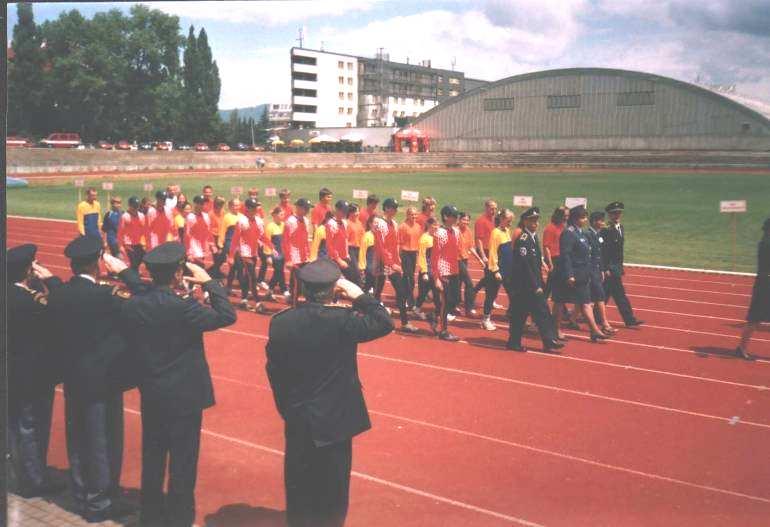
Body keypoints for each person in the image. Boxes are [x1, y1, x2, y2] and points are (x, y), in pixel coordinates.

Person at [265, 259, 393, 527]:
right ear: (335, 288)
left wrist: (287, 410)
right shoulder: (343, 322)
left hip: (299, 418)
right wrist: (358, 295)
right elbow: (383, 321)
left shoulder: (281, 322)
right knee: (333, 498)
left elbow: (274, 372)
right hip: (336, 421)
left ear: (303, 288)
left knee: (299, 494)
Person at [121, 242, 236, 527]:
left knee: (153, 457)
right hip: (184, 397)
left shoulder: (135, 304)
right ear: (177, 274)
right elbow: (227, 314)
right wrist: (209, 282)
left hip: (152, 392)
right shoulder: (184, 308)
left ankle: (150, 517)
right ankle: (179, 520)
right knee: (183, 464)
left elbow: (148, 296)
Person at [47, 236, 144, 522]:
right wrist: (126, 272)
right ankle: (101, 503)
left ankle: (80, 494)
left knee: (77, 437)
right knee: (104, 441)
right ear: (96, 263)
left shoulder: (60, 293)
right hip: (103, 380)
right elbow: (146, 299)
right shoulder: (106, 296)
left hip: (72, 377)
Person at [7, 244, 64, 498]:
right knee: (32, 427)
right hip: (33, 375)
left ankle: (14, 474)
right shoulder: (32, 301)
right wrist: (49, 281)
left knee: (12, 425)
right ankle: (33, 480)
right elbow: (60, 306)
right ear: (28, 269)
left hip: (10, 373)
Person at [507, 208, 564, 353]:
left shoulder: (533, 237)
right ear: (525, 221)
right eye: (532, 220)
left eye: (536, 220)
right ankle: (515, 343)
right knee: (521, 315)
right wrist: (536, 285)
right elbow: (525, 266)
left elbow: (535, 264)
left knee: (541, 312)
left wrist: (540, 282)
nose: (535, 223)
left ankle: (549, 340)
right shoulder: (523, 239)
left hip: (533, 284)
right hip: (525, 285)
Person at [553, 206, 611, 342]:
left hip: (582, 274)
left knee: (585, 302)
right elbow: (566, 255)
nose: (585, 220)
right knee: (560, 302)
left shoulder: (581, 233)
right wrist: (569, 274)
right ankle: (555, 329)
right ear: (575, 219)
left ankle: (595, 331)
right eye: (583, 217)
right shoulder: (568, 233)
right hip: (568, 275)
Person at [372, 198, 420, 333]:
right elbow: (381, 247)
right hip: (382, 262)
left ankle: (405, 323)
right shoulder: (379, 223)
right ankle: (373, 318)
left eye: (396, 208)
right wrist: (391, 264)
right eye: (393, 208)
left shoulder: (393, 223)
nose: (395, 211)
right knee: (377, 291)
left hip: (392, 262)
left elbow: (393, 245)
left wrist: (397, 260)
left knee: (401, 291)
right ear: (386, 208)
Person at [600, 202, 644, 327]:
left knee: (604, 294)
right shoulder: (606, 230)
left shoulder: (621, 228)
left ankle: (595, 315)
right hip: (611, 268)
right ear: (609, 215)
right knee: (619, 295)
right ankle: (629, 320)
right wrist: (605, 268)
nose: (617, 215)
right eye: (614, 213)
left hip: (617, 267)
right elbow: (604, 251)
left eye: (619, 212)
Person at [736, 218, 770, 360]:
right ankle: (741, 348)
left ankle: (741, 348)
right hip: (765, 284)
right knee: (754, 319)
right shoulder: (766, 245)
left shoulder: (764, 243)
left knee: (754, 319)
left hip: (764, 282)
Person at [429, 205, 462, 341]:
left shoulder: (455, 231)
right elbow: (434, 257)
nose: (456, 219)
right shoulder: (440, 234)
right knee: (446, 302)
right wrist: (436, 278)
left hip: (454, 271)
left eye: (456, 216)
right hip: (444, 272)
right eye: (454, 216)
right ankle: (443, 331)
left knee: (454, 301)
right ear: (446, 217)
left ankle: (434, 317)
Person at [482, 208, 515, 331]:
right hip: (497, 271)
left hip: (507, 269)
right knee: (491, 295)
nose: (510, 223)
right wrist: (495, 270)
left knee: (513, 293)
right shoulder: (495, 233)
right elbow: (493, 253)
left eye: (511, 221)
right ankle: (486, 319)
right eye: (508, 220)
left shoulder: (506, 230)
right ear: (501, 219)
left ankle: (511, 313)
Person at [236, 198, 270, 313]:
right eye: (255, 207)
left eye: (257, 207)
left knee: (247, 277)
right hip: (244, 253)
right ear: (248, 208)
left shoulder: (259, 221)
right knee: (252, 277)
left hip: (254, 252)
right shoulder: (242, 221)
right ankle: (257, 301)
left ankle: (244, 299)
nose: (257, 209)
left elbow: (261, 235)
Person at [586, 211, 616, 335]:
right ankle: (604, 323)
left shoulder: (599, 234)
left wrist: (602, 269)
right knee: (600, 295)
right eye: (601, 220)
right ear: (594, 222)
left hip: (597, 270)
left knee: (587, 299)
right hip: (591, 270)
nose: (603, 223)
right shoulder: (587, 235)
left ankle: (572, 319)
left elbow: (600, 254)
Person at [474, 200, 503, 312]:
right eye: (491, 208)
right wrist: (483, 256)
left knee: (491, 278)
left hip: (494, 251)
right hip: (486, 252)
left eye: (495, 208)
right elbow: (479, 240)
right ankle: (486, 298)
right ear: (486, 208)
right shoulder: (481, 221)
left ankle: (475, 292)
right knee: (491, 278)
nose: (494, 210)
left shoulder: (495, 221)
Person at [283, 198, 312, 305]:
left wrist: (308, 254)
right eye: (306, 208)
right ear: (299, 208)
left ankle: (293, 300)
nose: (308, 211)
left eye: (308, 209)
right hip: (294, 257)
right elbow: (285, 242)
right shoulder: (290, 222)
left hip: (304, 256)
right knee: (297, 283)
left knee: (305, 281)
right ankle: (294, 306)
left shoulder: (306, 221)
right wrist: (288, 259)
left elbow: (305, 239)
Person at [326, 200, 361, 285]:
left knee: (356, 278)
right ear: (337, 210)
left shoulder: (344, 223)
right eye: (343, 211)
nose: (345, 213)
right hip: (335, 259)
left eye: (346, 211)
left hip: (344, 257)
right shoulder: (331, 224)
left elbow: (345, 240)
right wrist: (339, 260)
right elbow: (330, 245)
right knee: (333, 283)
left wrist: (347, 255)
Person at [457, 212, 482, 316]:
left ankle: (455, 304)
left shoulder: (468, 231)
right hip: (456, 260)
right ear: (459, 220)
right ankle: (469, 308)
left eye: (467, 220)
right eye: (464, 220)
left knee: (458, 283)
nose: (466, 222)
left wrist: (479, 259)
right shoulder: (455, 231)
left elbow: (471, 247)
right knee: (469, 284)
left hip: (465, 259)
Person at [413, 217, 437, 320]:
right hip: (428, 269)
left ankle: (417, 309)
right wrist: (424, 272)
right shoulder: (424, 238)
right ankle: (417, 309)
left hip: (434, 268)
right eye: (434, 226)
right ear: (429, 226)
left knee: (431, 292)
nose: (436, 228)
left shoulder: (435, 237)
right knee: (427, 292)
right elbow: (422, 256)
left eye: (437, 226)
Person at [398, 206, 422, 309]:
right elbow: (399, 242)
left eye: (415, 214)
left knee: (407, 278)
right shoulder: (403, 226)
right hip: (405, 253)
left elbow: (419, 241)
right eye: (412, 214)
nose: (414, 216)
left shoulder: (418, 226)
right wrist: (399, 256)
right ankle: (409, 300)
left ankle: (401, 297)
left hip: (413, 254)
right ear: (407, 215)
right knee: (409, 278)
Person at [185, 195, 215, 269]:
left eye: (202, 203)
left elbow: (209, 231)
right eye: (199, 203)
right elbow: (186, 235)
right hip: (194, 248)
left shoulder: (206, 216)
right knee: (195, 270)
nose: (201, 205)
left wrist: (212, 244)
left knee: (201, 269)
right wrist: (188, 252)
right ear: (194, 204)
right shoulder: (190, 217)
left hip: (203, 247)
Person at [265, 206, 288, 298]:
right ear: (275, 215)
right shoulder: (270, 226)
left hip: (282, 253)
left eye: (283, 214)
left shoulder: (283, 225)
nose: (283, 216)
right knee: (279, 271)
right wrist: (268, 256)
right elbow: (267, 241)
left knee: (278, 272)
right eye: (281, 214)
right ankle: (284, 290)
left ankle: (270, 290)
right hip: (274, 254)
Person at [118, 196, 147, 271]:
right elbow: (120, 232)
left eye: (137, 207)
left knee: (142, 261)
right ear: (130, 206)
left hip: (138, 244)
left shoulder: (141, 216)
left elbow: (144, 230)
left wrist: (145, 242)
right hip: (128, 245)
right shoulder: (125, 216)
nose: (135, 209)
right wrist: (121, 246)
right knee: (133, 264)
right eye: (134, 207)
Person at [542, 207, 565, 299]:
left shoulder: (562, 227)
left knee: (555, 284)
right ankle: (541, 304)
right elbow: (546, 246)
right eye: (564, 216)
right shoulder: (550, 228)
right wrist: (550, 263)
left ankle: (560, 308)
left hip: (560, 258)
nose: (566, 218)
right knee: (551, 284)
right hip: (553, 259)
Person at [346, 203, 364, 283]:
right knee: (355, 272)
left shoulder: (359, 223)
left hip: (359, 249)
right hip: (350, 250)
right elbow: (345, 239)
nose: (358, 213)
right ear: (351, 212)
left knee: (358, 271)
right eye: (356, 211)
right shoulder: (347, 224)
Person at [359, 214, 377, 294]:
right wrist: (362, 267)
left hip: (378, 266)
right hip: (369, 267)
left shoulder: (380, 235)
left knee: (377, 286)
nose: (377, 225)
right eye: (375, 223)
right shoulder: (367, 236)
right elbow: (362, 252)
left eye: (378, 223)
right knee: (368, 286)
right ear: (370, 224)